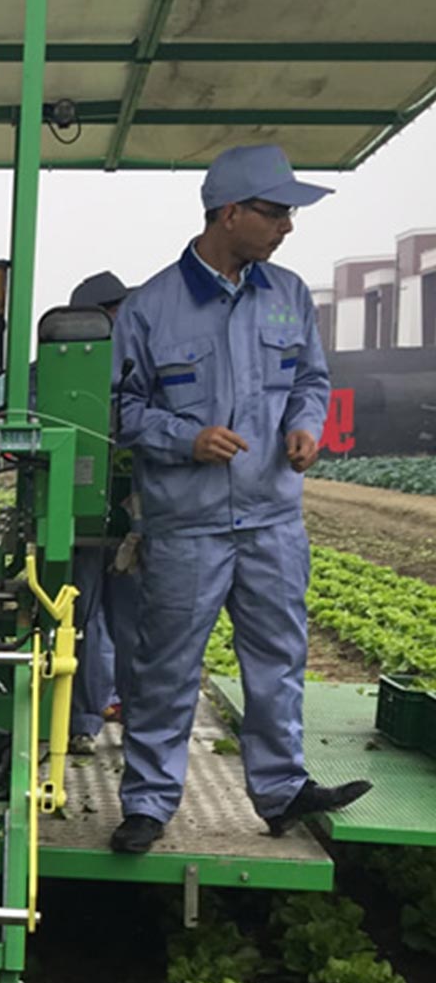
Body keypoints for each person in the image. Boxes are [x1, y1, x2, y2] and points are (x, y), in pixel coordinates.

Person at [110, 144, 371, 854]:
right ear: (231, 214)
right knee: (165, 665)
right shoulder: (149, 309)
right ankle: (147, 803)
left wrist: (304, 426)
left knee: (278, 657)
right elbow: (120, 410)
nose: (287, 226)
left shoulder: (286, 294)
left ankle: (282, 790)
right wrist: (185, 438)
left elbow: (311, 381)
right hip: (187, 524)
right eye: (276, 211)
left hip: (272, 517)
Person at [65, 271, 132, 755]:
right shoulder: (54, 367)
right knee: (86, 617)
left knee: (130, 621)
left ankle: (127, 713)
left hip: (128, 517)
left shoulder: (138, 368)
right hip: (82, 516)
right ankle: (85, 718)